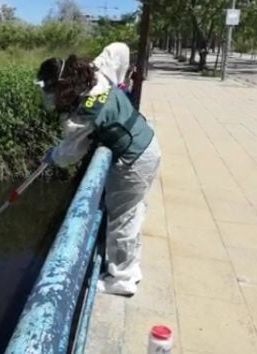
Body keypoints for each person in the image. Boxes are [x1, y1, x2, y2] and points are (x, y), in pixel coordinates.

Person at [35, 42, 162, 296]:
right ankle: (131, 268)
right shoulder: (97, 74)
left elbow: (70, 153)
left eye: (52, 92)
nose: (51, 99)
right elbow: (120, 49)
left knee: (122, 218)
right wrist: (120, 77)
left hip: (133, 161)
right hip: (147, 145)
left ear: (63, 88)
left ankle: (122, 278)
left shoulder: (83, 116)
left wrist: (52, 156)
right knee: (132, 213)